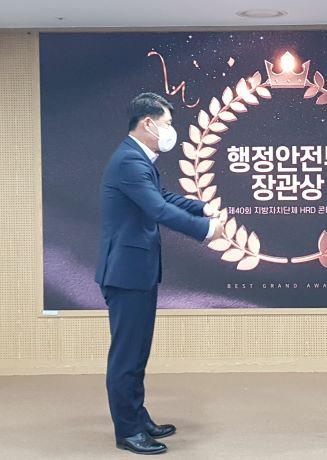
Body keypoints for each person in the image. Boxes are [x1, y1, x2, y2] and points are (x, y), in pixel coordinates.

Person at [95, 92, 224, 455]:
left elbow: (163, 197)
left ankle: (138, 417)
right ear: (148, 123)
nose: (171, 130)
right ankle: (127, 431)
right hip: (125, 273)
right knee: (126, 355)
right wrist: (205, 230)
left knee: (138, 352)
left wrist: (200, 207)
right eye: (167, 123)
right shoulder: (129, 161)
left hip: (139, 271)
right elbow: (158, 210)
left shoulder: (139, 159)